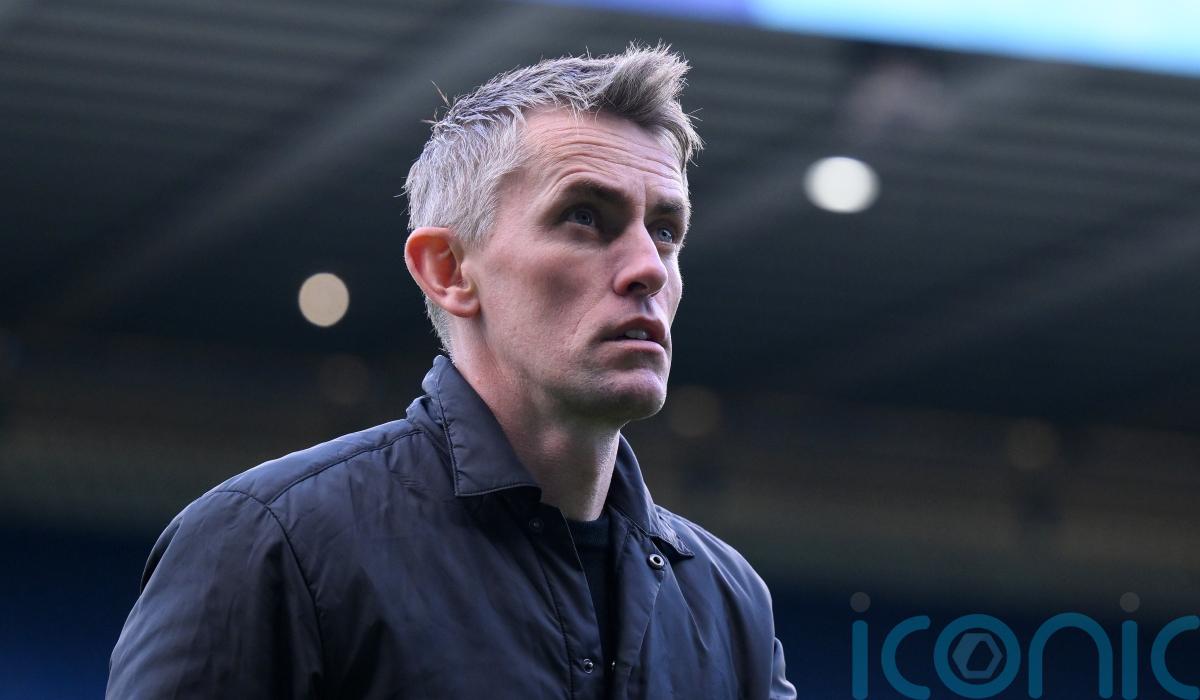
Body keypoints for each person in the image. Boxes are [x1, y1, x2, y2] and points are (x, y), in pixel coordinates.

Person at [107, 44, 796, 699]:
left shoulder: (731, 603)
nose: (649, 267)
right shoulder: (269, 545)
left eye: (666, 230)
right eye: (586, 217)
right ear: (449, 270)